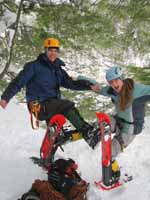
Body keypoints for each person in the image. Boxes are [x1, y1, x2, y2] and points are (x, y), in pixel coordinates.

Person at [0, 37, 99, 148]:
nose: (53, 53)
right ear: (45, 50)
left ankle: (51, 149)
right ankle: (87, 132)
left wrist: (88, 86)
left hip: (52, 105)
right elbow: (18, 82)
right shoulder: (33, 66)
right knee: (66, 105)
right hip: (38, 105)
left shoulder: (58, 70)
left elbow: (71, 84)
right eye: (50, 50)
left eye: (55, 51)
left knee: (62, 119)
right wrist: (5, 98)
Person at [79, 66, 150, 180]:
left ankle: (115, 174)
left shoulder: (137, 90)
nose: (114, 84)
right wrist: (78, 77)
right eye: (111, 82)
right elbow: (99, 88)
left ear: (122, 78)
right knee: (103, 119)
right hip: (118, 121)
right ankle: (94, 138)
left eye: (116, 80)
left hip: (130, 130)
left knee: (109, 153)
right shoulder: (112, 90)